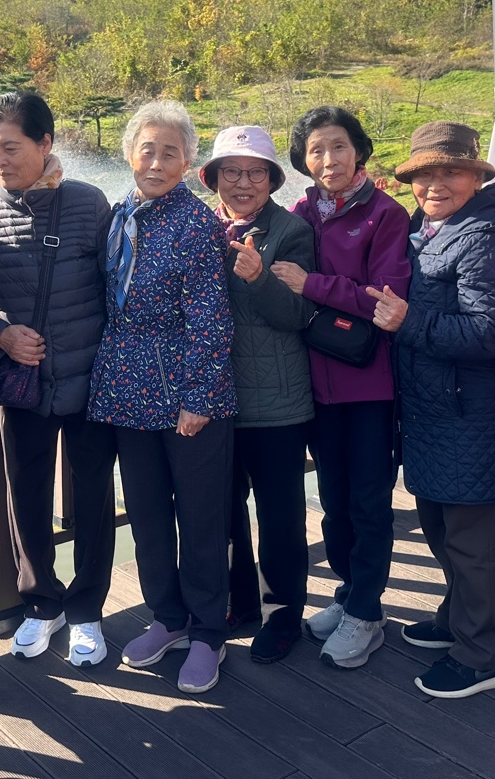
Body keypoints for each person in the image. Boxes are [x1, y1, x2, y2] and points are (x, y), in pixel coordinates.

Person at [366, 122, 495, 699]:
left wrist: (409, 321)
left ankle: (483, 654)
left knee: (472, 542)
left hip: (474, 417)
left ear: (475, 177)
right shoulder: (429, 227)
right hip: (436, 413)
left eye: (451, 172)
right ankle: (456, 617)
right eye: (424, 174)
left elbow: (491, 331)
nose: (436, 184)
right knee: (441, 527)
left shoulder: (488, 234)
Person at [88, 101, 238, 694]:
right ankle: (167, 617)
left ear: (188, 161)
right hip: (127, 390)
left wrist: (198, 396)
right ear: (129, 154)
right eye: (146, 149)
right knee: (147, 513)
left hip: (187, 391)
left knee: (200, 517)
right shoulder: (121, 212)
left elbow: (211, 319)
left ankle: (208, 631)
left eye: (169, 152)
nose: (155, 162)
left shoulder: (197, 224)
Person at [0, 91, 117, 667]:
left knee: (95, 496)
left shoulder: (86, 202)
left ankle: (87, 609)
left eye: (10, 147)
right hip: (23, 386)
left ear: (45, 143)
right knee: (26, 495)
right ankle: (40, 603)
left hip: (90, 378)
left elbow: (115, 284)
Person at [276, 105, 410, 670]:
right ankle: (351, 594)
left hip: (370, 384)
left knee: (368, 502)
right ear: (303, 161)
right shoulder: (301, 213)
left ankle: (366, 612)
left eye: (337, 146)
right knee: (332, 503)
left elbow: (386, 301)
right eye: (315, 150)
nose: (328, 159)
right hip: (317, 385)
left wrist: (313, 284)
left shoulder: (385, 214)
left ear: (358, 151)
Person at [200, 125, 316, 664]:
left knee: (279, 515)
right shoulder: (201, 227)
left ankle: (283, 615)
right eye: (231, 171)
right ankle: (240, 602)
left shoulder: (291, 231)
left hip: (276, 402)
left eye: (255, 173)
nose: (243, 183)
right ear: (214, 178)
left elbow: (298, 314)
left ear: (271, 180)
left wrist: (258, 279)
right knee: (223, 510)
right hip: (216, 397)